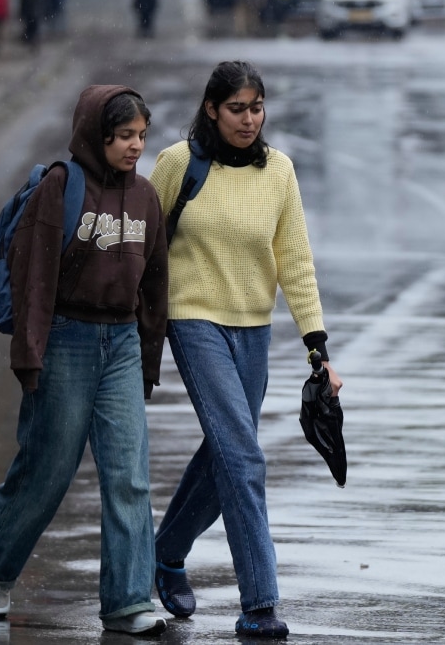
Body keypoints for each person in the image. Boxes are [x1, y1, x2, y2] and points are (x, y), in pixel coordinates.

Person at [147, 60, 342, 640]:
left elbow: (296, 262)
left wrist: (318, 348)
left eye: (257, 107)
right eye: (237, 108)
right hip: (192, 317)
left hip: (254, 327)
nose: (249, 119)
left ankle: (166, 550)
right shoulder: (177, 164)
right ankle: (259, 602)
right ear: (211, 109)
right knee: (244, 456)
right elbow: (143, 241)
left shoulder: (279, 171)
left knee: (227, 453)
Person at [0, 84, 169, 637]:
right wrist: (29, 354)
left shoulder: (147, 199)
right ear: (97, 134)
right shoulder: (61, 188)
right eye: (125, 136)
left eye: (141, 137)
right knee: (49, 468)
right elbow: (35, 277)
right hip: (66, 338)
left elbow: (155, 285)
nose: (135, 146)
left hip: (122, 344)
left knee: (128, 475)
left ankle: (128, 601)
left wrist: (149, 358)